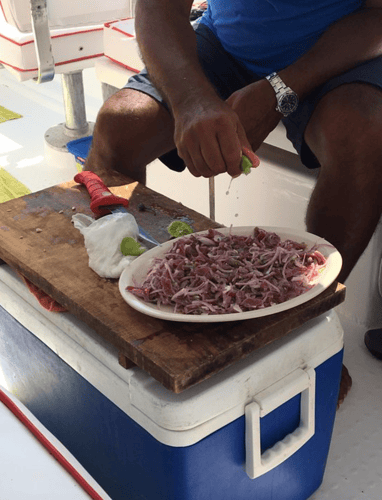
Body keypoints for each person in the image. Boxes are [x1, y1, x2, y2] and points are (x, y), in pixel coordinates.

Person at [85, 0, 382, 357]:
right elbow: (157, 7)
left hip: (336, 51)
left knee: (362, 133)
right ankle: (114, 316)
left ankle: (309, 335)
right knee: (120, 123)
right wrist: (191, 100)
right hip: (228, 43)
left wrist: (280, 91)